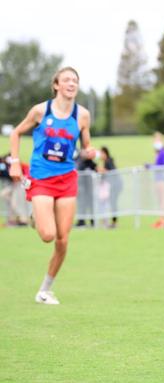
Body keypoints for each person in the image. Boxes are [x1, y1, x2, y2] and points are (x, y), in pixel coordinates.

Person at [8, 66, 95, 304]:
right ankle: (37, 213)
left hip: (67, 178)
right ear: (56, 85)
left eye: (75, 80)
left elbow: (86, 145)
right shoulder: (40, 111)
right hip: (42, 177)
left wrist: (90, 151)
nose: (71, 83)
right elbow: (15, 133)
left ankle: (45, 290)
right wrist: (15, 163)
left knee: (62, 240)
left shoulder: (82, 115)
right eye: (66, 80)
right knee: (48, 235)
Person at [98, 146, 123, 228]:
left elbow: (112, 172)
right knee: (111, 203)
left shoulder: (109, 161)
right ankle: (112, 221)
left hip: (115, 185)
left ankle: (114, 222)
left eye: (101, 153)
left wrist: (103, 170)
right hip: (113, 185)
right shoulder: (107, 161)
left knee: (113, 203)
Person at [151, 132, 164, 229]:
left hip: (162, 179)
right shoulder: (158, 152)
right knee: (160, 200)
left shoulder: (163, 152)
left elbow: (161, 165)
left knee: (163, 200)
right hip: (158, 178)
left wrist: (151, 166)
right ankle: (161, 219)